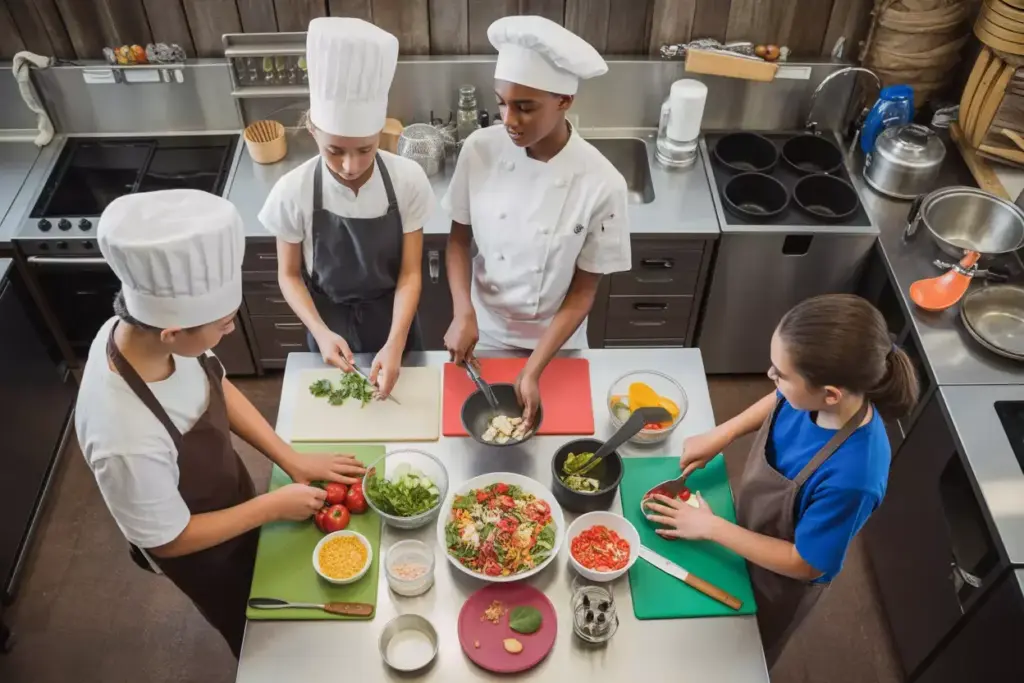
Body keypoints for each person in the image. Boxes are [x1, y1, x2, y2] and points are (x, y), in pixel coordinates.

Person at [75, 189, 366, 657]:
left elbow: (215, 385)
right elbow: (168, 539)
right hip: (202, 552)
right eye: (224, 324)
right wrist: (269, 508)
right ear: (173, 332)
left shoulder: (146, 336)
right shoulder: (122, 436)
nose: (230, 332)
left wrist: (290, 459)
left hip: (235, 501)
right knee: (255, 628)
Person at [644, 294, 918, 668]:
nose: (771, 377)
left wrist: (711, 527)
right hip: (745, 528)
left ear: (830, 394)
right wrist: (723, 433)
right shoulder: (809, 396)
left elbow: (806, 563)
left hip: (778, 578)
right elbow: (779, 399)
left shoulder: (855, 478)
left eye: (781, 374)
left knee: (739, 654)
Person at [442, 15, 631, 426]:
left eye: (525, 107)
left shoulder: (603, 183)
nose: (509, 119)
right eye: (502, 103)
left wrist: (533, 370)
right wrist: (462, 312)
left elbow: (583, 291)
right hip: (483, 330)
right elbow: (457, 240)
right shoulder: (479, 150)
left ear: (565, 101)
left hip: (558, 341)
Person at [259, 17, 434, 397]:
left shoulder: (407, 180)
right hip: (328, 322)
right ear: (313, 131)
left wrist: (396, 341)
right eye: (335, 150)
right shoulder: (293, 190)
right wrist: (320, 332)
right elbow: (289, 275)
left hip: (394, 320)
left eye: (365, 149)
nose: (350, 166)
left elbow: (410, 274)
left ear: (379, 134)